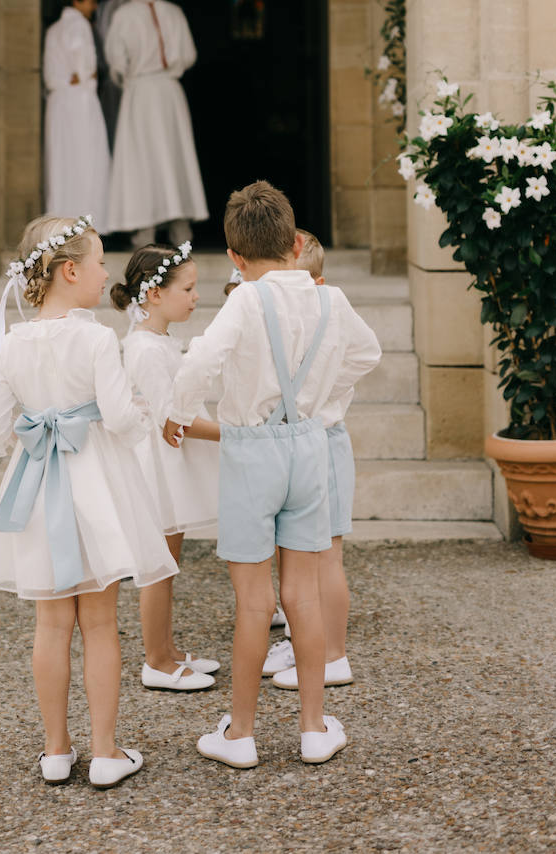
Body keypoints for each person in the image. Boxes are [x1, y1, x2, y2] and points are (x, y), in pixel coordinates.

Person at [164, 182, 380, 768]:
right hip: (309, 447)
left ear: (234, 257)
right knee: (302, 596)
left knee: (254, 602)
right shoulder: (328, 298)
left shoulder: (245, 299)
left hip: (251, 453)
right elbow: (368, 354)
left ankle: (241, 736)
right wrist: (320, 400)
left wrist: (177, 415)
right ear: (292, 242)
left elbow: (201, 362)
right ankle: (313, 729)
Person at [0, 214, 177, 789]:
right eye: (101, 262)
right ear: (70, 271)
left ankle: (56, 751)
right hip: (94, 487)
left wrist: (28, 430)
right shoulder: (94, 337)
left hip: (40, 485)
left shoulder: (13, 342)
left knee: (51, 622)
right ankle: (107, 752)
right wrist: (139, 415)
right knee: (102, 622)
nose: (106, 271)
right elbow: (117, 417)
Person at [111, 242, 220, 693]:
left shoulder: (160, 342)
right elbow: (170, 420)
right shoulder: (145, 349)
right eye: (188, 288)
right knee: (158, 564)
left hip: (168, 464)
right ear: (155, 294)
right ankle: (155, 660)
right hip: (154, 468)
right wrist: (235, 433)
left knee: (169, 559)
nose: (196, 297)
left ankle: (167, 649)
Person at [263, 230, 357, 689]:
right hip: (301, 437)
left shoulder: (332, 304)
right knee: (303, 552)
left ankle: (334, 655)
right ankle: (306, 642)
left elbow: (368, 354)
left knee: (328, 555)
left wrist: (329, 393)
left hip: (326, 436)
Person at [104, 0, 207, 246]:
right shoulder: (174, 11)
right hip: (170, 91)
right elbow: (188, 55)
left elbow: (116, 61)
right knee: (174, 155)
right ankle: (180, 228)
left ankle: (144, 229)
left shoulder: (123, 15)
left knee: (142, 159)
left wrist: (125, 78)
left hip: (139, 92)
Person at [43, 0, 110, 232]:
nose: (94, 7)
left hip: (59, 102)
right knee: (85, 159)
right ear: (76, 0)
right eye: (91, 1)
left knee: (61, 161)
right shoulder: (80, 26)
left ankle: (62, 221)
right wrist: (85, 77)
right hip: (79, 102)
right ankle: (87, 220)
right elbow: (85, 70)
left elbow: (53, 76)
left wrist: (72, 77)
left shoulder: (53, 29)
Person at [94, 0, 130, 147]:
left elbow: (102, 42)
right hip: (131, 78)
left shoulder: (105, 6)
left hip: (112, 75)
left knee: (115, 132)